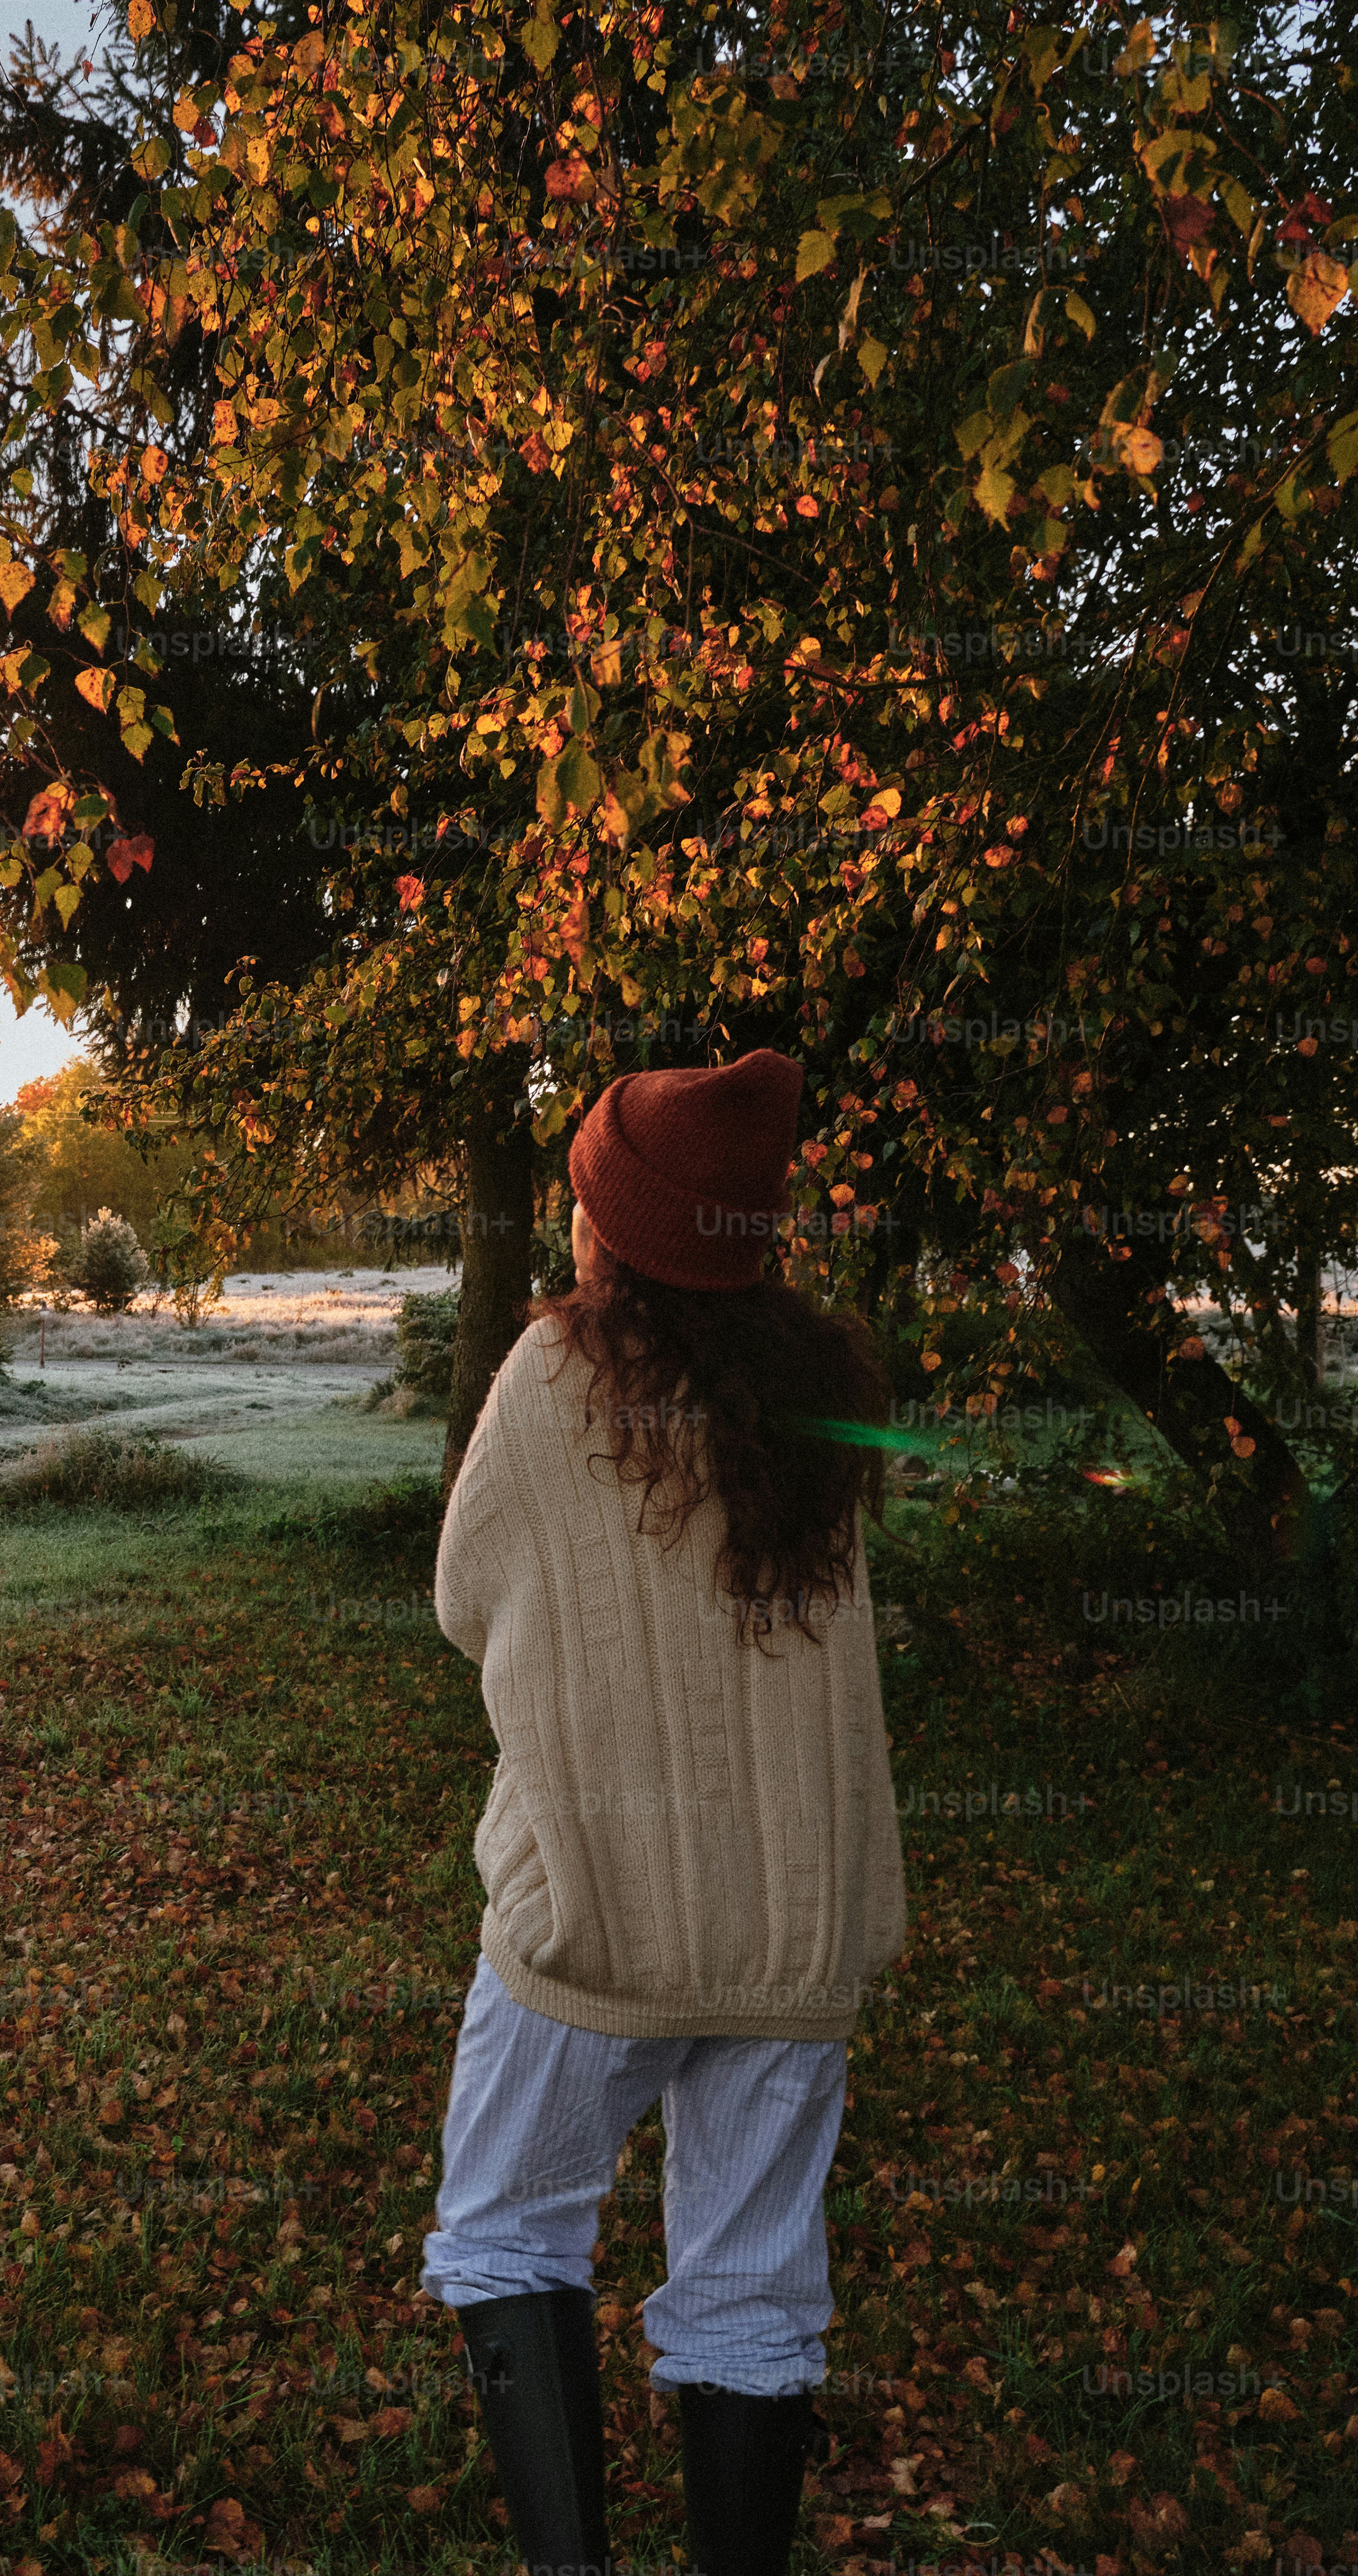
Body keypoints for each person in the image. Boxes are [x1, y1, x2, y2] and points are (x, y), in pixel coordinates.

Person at [423, 1048, 905, 2576]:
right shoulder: (818, 1391)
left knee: (505, 2224)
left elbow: (464, 1593)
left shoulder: (554, 1377)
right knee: (754, 2290)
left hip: (603, 1913)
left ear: (616, 1228)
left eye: (585, 1200)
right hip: (793, 1927)